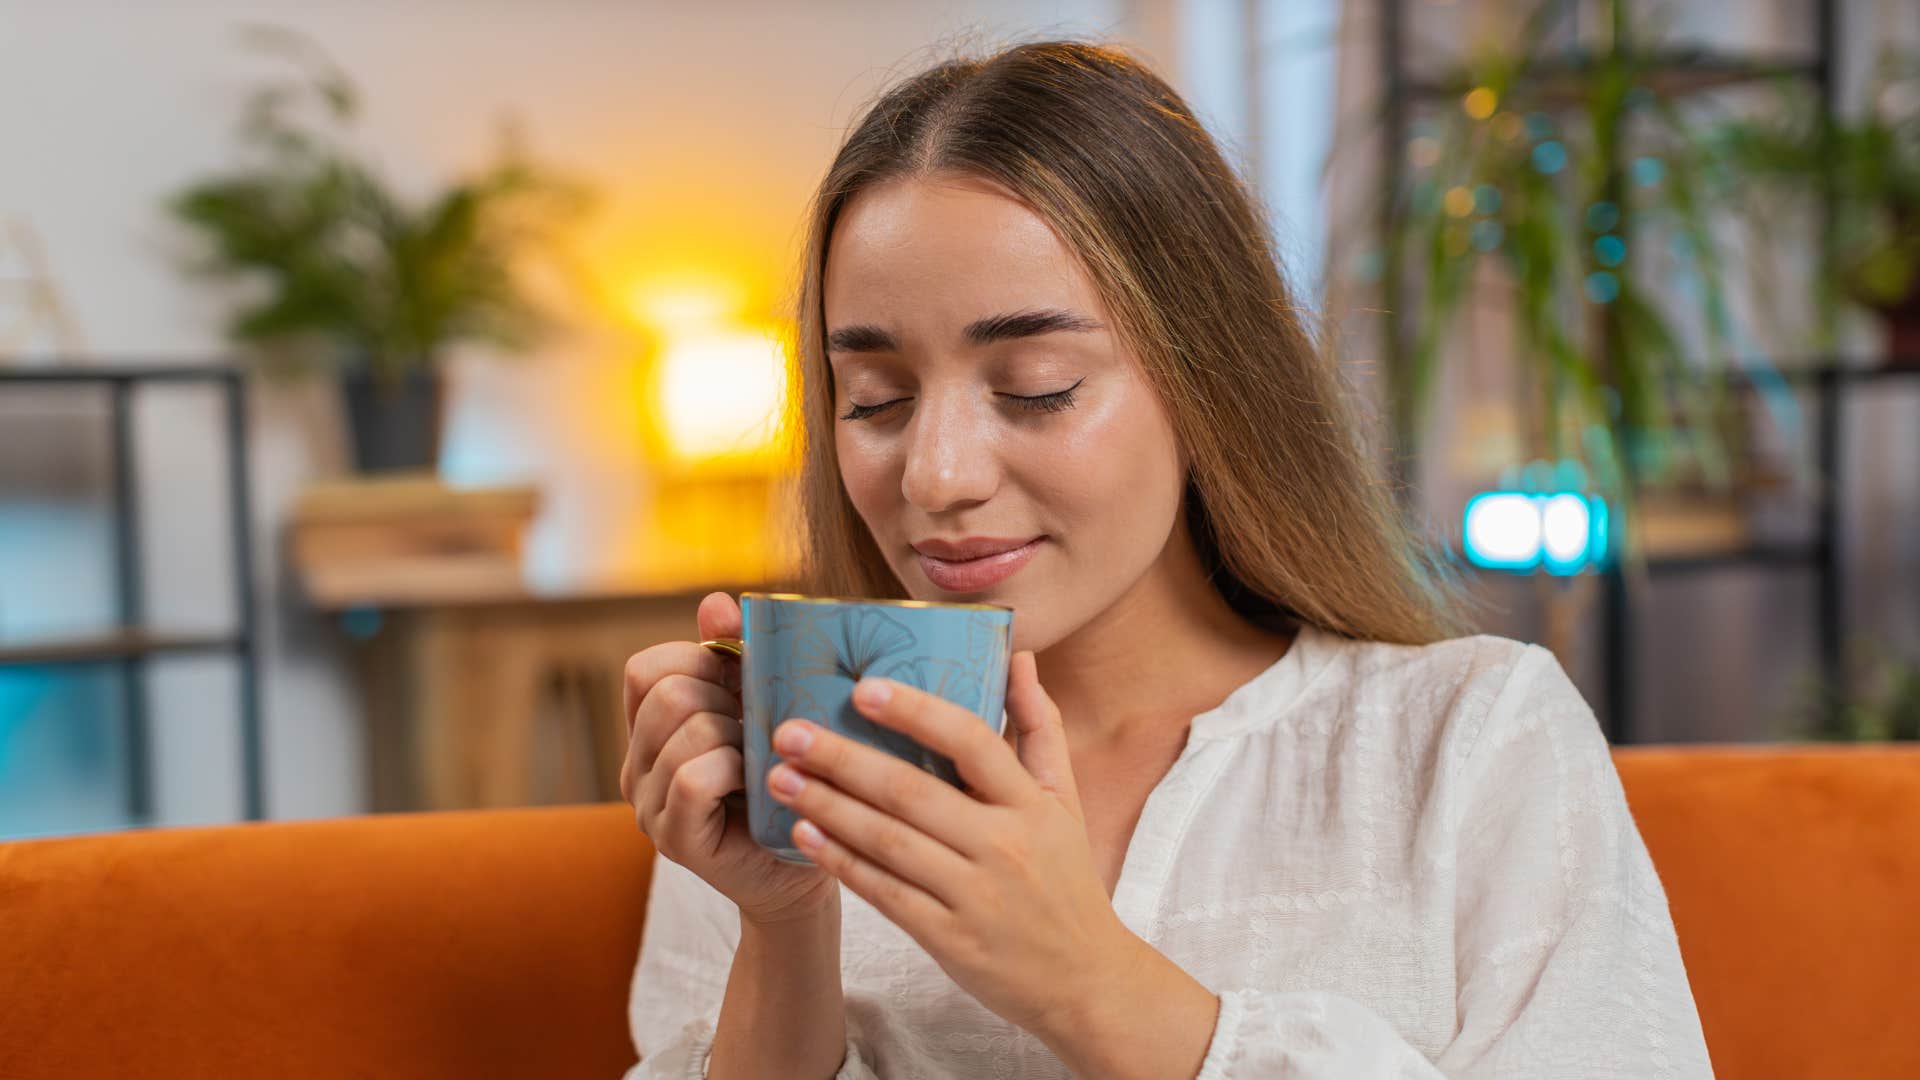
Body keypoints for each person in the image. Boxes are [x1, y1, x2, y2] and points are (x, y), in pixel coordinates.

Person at [617, 39, 1712, 1080]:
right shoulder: (795, 771)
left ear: (1208, 383)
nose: (935, 476)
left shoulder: (1467, 740)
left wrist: (1087, 982)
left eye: (1037, 384)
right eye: (877, 401)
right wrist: (784, 925)